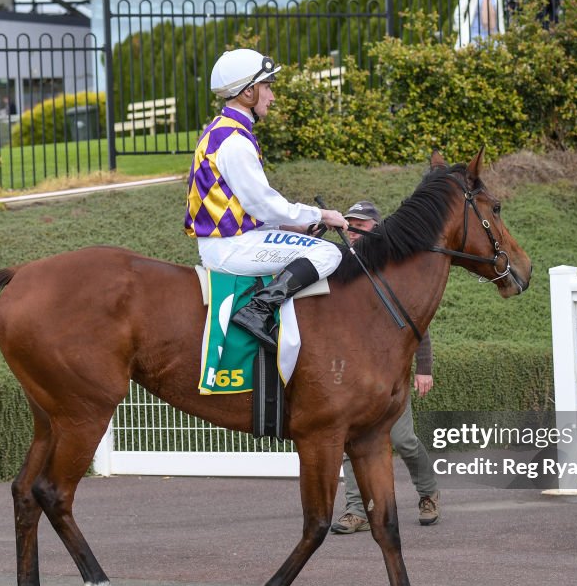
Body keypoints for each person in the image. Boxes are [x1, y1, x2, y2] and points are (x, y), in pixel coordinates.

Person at [185, 49, 348, 350]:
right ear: (249, 92)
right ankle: (258, 311)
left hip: (234, 239)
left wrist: (294, 228)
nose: (272, 96)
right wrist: (321, 215)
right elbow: (263, 203)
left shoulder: (225, 130)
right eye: (268, 87)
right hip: (231, 248)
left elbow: (247, 207)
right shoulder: (234, 141)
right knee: (329, 255)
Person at [330, 201, 441, 534]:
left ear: (376, 229)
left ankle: (428, 492)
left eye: (360, 225)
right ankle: (356, 510)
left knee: (403, 439)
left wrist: (424, 368)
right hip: (353, 373)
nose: (352, 230)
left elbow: (416, 322)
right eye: (349, 224)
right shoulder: (337, 265)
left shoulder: (393, 271)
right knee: (351, 440)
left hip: (390, 374)